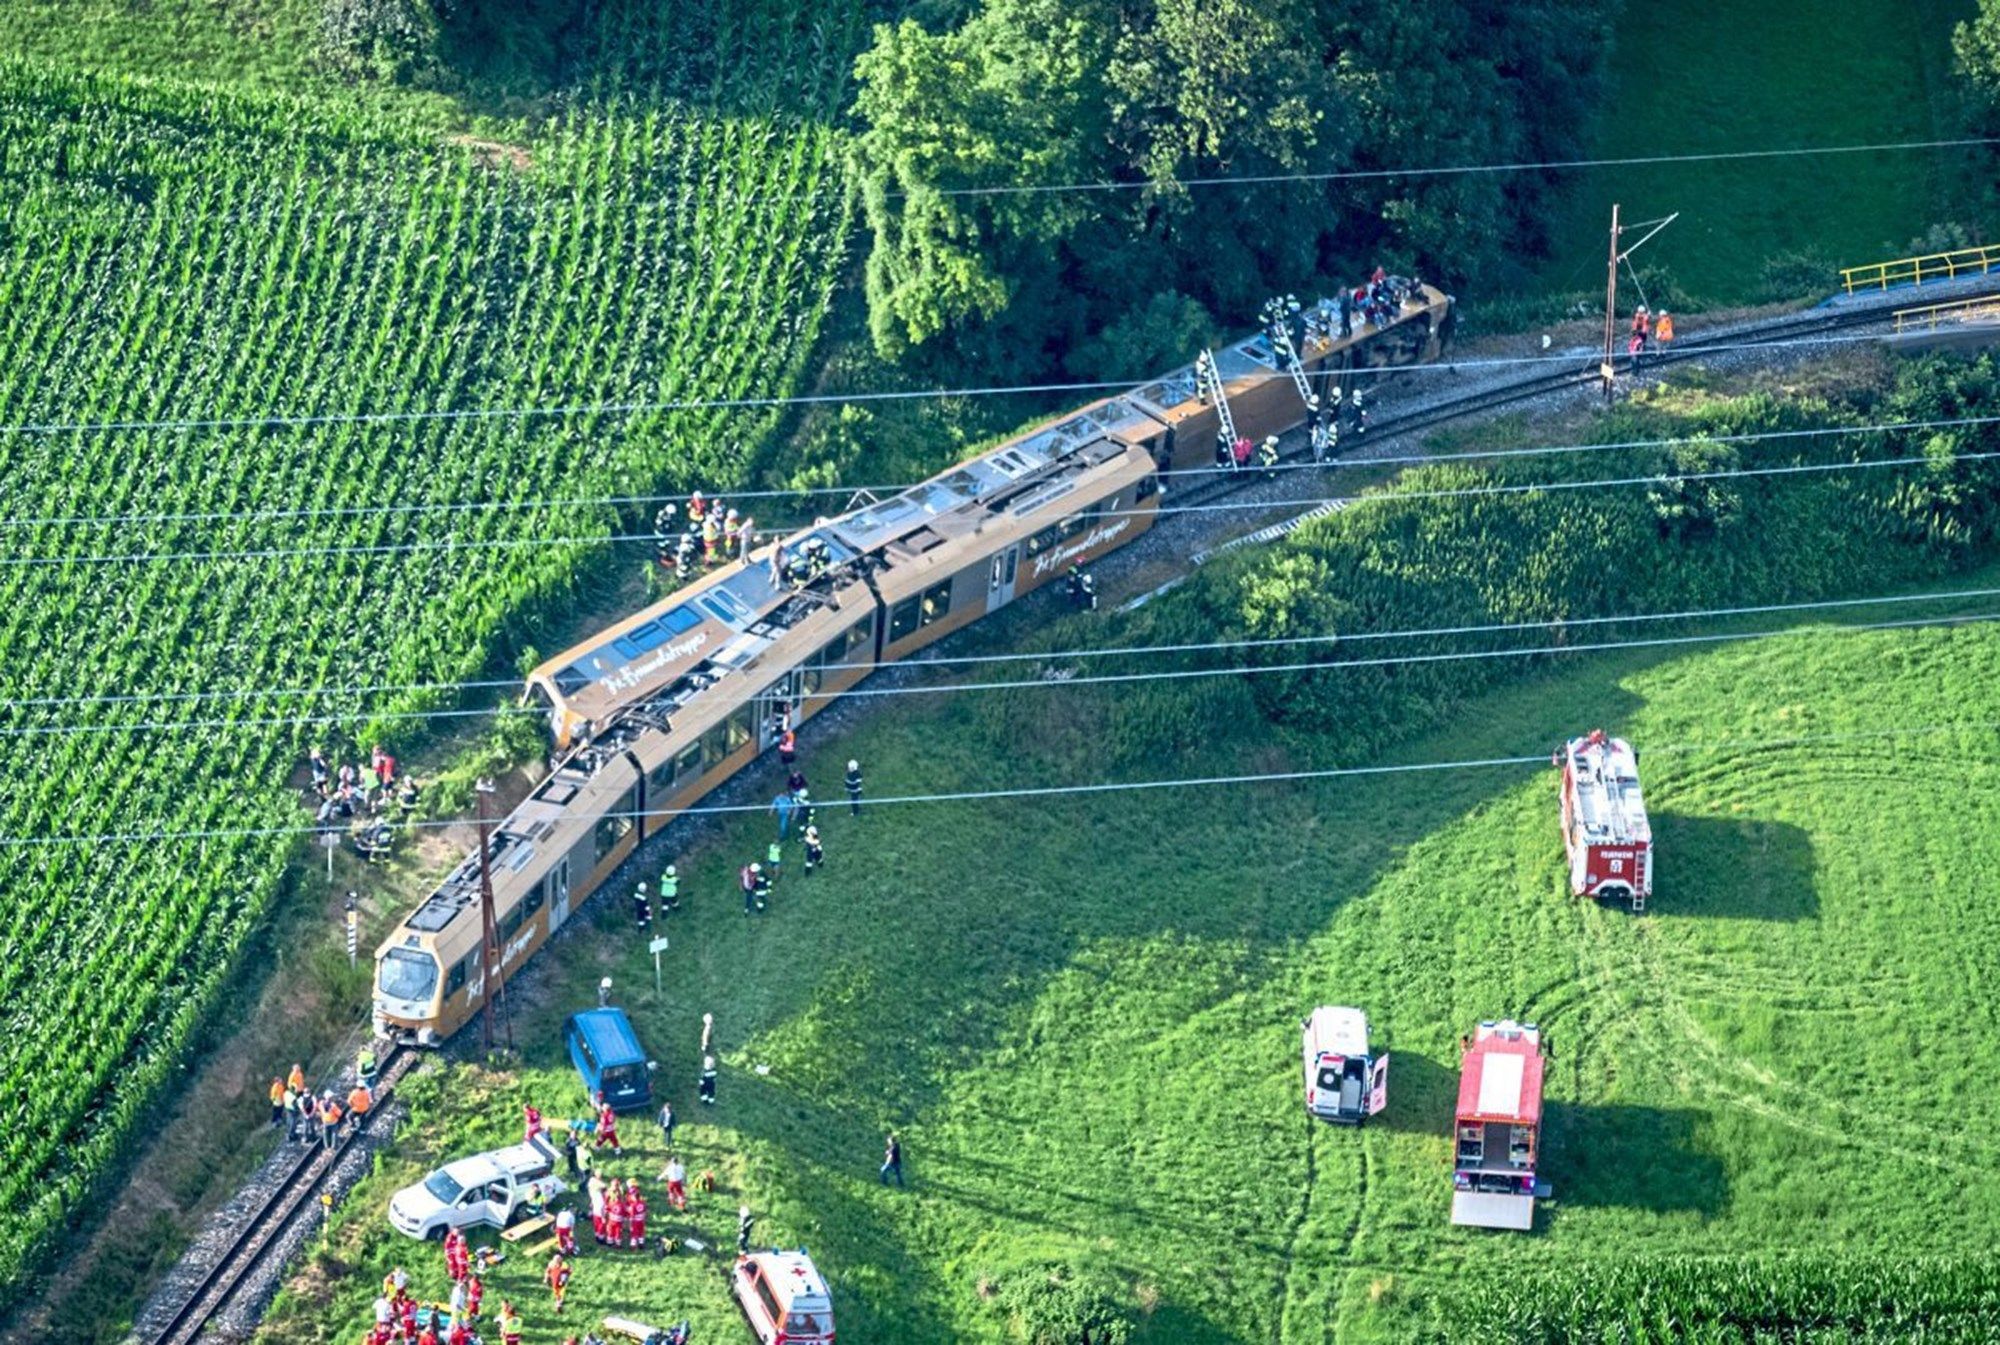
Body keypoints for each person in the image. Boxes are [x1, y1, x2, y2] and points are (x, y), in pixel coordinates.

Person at [625, 1178, 648, 1247]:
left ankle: (633, 1245)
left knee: (634, 1232)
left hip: (634, 1219)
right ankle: (641, 1243)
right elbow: (645, 1210)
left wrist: (630, 1220)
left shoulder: (633, 1204)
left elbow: (631, 1213)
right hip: (641, 1220)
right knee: (641, 1232)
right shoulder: (642, 1202)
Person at [603, 1181, 626, 1246]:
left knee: (614, 1230)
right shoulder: (609, 1192)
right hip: (615, 1214)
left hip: (613, 1213)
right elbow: (606, 1200)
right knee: (614, 1230)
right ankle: (615, 1242)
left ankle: (612, 1242)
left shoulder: (620, 1192)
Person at [588, 1172, 608, 1243]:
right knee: (601, 1224)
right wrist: (603, 1216)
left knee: (596, 1223)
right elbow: (604, 1185)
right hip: (599, 1210)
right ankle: (601, 1238)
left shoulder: (593, 1192)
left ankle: (597, 1236)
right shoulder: (599, 1195)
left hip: (595, 1210)